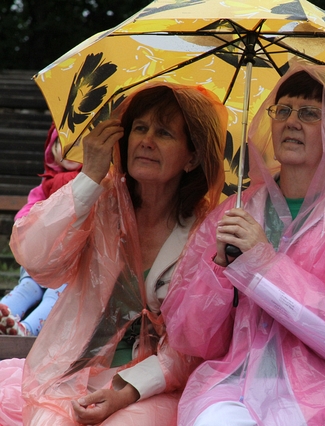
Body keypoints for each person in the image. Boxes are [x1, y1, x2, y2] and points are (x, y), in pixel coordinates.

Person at [162, 62, 325, 425]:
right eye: (283, 110)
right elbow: (192, 337)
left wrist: (261, 263)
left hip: (323, 396)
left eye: (309, 113)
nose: (291, 122)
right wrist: (219, 273)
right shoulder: (238, 211)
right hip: (234, 385)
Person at [0, 82, 228, 426]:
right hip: (73, 373)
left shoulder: (206, 232)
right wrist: (89, 177)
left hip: (154, 388)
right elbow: (35, 259)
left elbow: (193, 348)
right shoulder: (102, 201)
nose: (146, 140)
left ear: (192, 157)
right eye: (140, 128)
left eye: (164, 133)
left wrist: (126, 391)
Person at [0, 122, 81, 336]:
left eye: (77, 143)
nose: (68, 148)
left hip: (71, 261)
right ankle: (4, 315)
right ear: (51, 150)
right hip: (42, 256)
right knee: (28, 287)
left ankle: (26, 329)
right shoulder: (46, 185)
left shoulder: (90, 182)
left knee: (55, 295)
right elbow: (27, 212)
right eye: (61, 142)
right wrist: (28, 223)